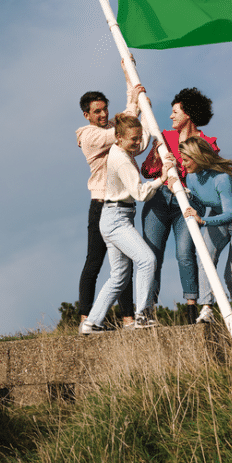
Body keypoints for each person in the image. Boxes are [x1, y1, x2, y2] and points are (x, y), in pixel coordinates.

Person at [81, 113, 177, 334]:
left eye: (138, 138)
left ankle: (91, 323)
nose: (137, 143)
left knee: (120, 275)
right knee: (147, 260)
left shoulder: (121, 148)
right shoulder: (122, 159)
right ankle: (143, 316)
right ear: (119, 137)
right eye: (133, 139)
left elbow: (139, 141)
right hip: (117, 219)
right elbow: (140, 194)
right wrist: (162, 178)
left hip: (115, 216)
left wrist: (145, 115)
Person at [140, 88, 218, 324]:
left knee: (185, 253)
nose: (171, 116)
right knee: (151, 255)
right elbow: (146, 171)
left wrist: (182, 169)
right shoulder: (163, 138)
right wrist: (158, 160)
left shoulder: (208, 144)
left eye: (175, 111)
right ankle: (147, 310)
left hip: (189, 201)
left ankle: (192, 309)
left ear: (189, 113)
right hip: (160, 199)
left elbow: (207, 180)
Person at [75, 72, 142, 327]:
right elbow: (125, 124)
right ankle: (86, 317)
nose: (103, 115)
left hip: (121, 206)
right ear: (87, 115)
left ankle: (128, 318)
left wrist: (129, 78)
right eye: (97, 111)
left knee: (124, 263)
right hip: (101, 205)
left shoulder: (113, 128)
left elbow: (128, 118)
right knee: (94, 262)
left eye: (105, 110)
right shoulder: (89, 135)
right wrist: (133, 100)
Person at [178, 137, 232, 327]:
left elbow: (230, 213)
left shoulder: (222, 178)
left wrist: (203, 220)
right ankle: (207, 309)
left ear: (198, 158)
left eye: (186, 160)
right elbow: (199, 200)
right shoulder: (190, 177)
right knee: (205, 260)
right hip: (217, 218)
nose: (183, 164)